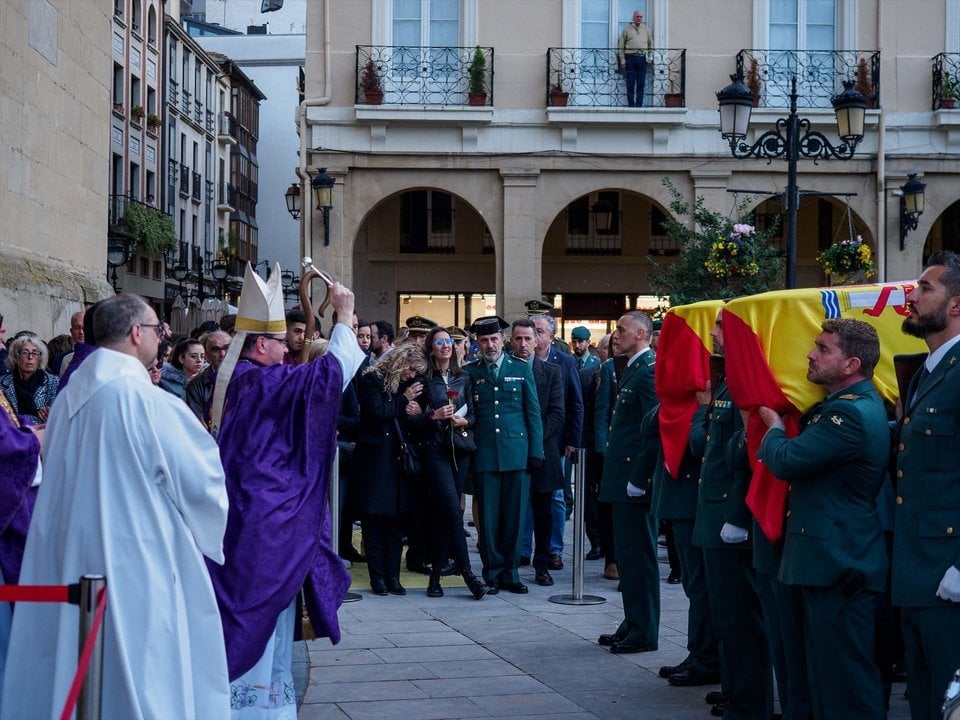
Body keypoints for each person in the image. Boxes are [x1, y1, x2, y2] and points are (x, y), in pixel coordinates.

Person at [2, 293, 230, 718]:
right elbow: (204, 483)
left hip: (70, 558)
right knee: (142, 674)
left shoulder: (70, 398)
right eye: (157, 327)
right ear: (136, 333)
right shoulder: (147, 401)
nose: (163, 335)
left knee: (80, 663)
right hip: (135, 560)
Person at [206, 263, 365, 714]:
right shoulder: (256, 383)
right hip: (264, 529)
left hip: (254, 522)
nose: (288, 347)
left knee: (272, 631)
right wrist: (345, 317)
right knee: (256, 627)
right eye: (280, 341)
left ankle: (270, 707)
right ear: (260, 344)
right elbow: (328, 378)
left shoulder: (247, 380)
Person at [757, 319, 888, 718]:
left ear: (851, 365)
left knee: (843, 681)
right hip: (828, 559)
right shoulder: (841, 406)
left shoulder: (847, 415)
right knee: (823, 675)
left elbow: (788, 460)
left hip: (838, 561)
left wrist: (774, 429)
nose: (811, 355)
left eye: (823, 349)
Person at [690, 311, 772, 719]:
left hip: (729, 513)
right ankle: (737, 689)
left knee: (741, 616)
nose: (713, 334)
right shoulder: (726, 377)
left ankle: (751, 701)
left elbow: (747, 453)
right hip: (714, 511)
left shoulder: (745, 378)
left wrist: (738, 515)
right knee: (726, 613)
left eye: (721, 327)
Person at [892, 250, 960, 720]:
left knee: (947, 698)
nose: (911, 297)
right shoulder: (926, 370)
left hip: (947, 571)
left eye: (924, 288)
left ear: (956, 305)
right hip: (915, 570)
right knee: (921, 695)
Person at [465, 316, 544, 594]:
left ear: (503, 340)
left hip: (516, 453)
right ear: (477, 343)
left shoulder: (520, 369)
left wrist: (536, 451)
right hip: (485, 453)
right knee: (487, 518)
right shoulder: (470, 373)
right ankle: (492, 572)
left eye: (494, 339)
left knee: (514, 515)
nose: (490, 345)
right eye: (484, 340)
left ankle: (511, 572)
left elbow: (532, 413)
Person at [596, 311, 660, 654]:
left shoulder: (648, 370)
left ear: (640, 333)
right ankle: (632, 621)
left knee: (639, 556)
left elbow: (653, 431)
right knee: (628, 555)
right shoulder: (633, 367)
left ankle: (644, 629)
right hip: (622, 477)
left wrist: (640, 478)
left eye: (621, 329)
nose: (615, 334)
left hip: (634, 480)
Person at [408, 327, 487, 600]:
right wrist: (432, 416)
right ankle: (468, 575)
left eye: (449, 342)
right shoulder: (423, 381)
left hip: (460, 449)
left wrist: (464, 420)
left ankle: (434, 579)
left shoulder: (464, 378)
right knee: (453, 510)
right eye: (439, 342)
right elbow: (410, 421)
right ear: (431, 348)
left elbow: (475, 416)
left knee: (448, 513)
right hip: (435, 451)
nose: (445, 346)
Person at [356, 343, 426, 596]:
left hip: (398, 460)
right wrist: (403, 400)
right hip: (375, 459)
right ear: (399, 361)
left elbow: (408, 419)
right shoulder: (372, 379)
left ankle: (394, 577)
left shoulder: (408, 385)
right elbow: (376, 413)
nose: (411, 375)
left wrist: (415, 410)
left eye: (416, 372)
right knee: (374, 523)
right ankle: (379, 578)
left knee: (397, 524)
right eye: (410, 369)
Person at [511, 318, 565, 587]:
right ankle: (509, 563)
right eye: (518, 339)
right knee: (513, 510)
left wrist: (534, 439)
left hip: (543, 452)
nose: (523, 344)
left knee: (544, 512)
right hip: (512, 452)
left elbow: (557, 413)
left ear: (537, 341)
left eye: (528, 339)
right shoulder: (505, 370)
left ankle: (542, 564)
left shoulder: (551, 371)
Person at [1, 334, 58, 425]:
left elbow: (57, 416)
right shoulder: (2, 383)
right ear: (16, 356)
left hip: (41, 434)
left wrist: (51, 412)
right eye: (25, 352)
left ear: (40, 358)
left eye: (35, 353)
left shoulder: (53, 382)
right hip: (12, 434)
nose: (30, 357)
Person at [185, 330, 231, 422]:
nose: (223, 354)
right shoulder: (196, 386)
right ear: (207, 355)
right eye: (216, 350)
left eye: (227, 348)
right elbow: (198, 425)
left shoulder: (248, 378)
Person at [617, 10, 653, 107]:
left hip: (642, 59)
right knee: (630, 84)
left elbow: (650, 45)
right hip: (630, 59)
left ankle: (639, 106)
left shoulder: (646, 30)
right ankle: (631, 106)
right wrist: (622, 60)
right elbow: (621, 46)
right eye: (637, 16)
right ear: (633, 18)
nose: (639, 18)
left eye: (641, 17)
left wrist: (649, 58)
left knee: (641, 84)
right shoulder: (627, 30)